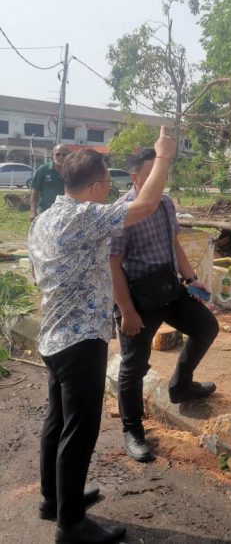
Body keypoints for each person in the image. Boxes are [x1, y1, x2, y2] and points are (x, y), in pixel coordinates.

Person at [29, 128, 175, 544]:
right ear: (94, 187)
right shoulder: (84, 217)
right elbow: (146, 204)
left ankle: (53, 499)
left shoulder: (44, 219)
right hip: (80, 342)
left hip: (52, 336)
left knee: (57, 421)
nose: (109, 191)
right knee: (79, 430)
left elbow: (37, 275)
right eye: (107, 186)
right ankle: (70, 524)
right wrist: (163, 157)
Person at [110, 149, 219, 463]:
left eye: (162, 174)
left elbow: (174, 245)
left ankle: (181, 387)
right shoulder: (122, 212)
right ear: (135, 178)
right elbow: (113, 264)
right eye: (152, 174)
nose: (160, 181)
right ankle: (132, 430)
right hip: (138, 297)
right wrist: (127, 311)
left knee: (206, 327)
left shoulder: (166, 203)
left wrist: (191, 279)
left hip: (169, 287)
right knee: (133, 366)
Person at [30, 144, 69, 220]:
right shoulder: (43, 169)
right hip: (45, 212)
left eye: (64, 155)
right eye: (58, 154)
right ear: (53, 155)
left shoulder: (71, 170)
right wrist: (33, 211)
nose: (61, 157)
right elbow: (35, 191)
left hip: (65, 213)